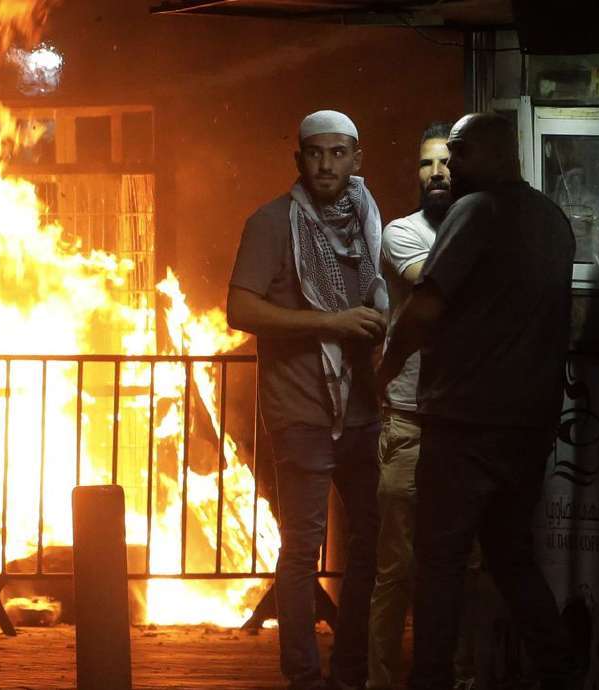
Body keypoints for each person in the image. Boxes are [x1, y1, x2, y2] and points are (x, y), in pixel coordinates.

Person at [377, 113, 580, 690]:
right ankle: (558, 666)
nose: (450, 167)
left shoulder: (475, 211)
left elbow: (427, 306)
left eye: (459, 153)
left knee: (439, 559)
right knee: (510, 554)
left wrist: (386, 368)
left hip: (464, 420)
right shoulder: (552, 219)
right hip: (529, 422)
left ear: (491, 154)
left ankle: (431, 679)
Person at [227, 109, 385, 690]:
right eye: (315, 153)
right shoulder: (271, 223)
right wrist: (332, 322)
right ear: (299, 159)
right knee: (302, 548)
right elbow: (240, 310)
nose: (327, 164)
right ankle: (304, 676)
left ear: (356, 158)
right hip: (300, 411)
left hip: (363, 412)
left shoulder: (369, 221)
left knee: (369, 543)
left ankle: (350, 669)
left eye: (338, 153)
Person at [368, 122, 481, 690]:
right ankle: (382, 681)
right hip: (410, 417)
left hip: (463, 423)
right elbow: (438, 286)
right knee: (398, 567)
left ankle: (461, 679)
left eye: (446, 163)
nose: (437, 173)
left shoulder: (483, 228)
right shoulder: (401, 232)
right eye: (425, 164)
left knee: (464, 563)